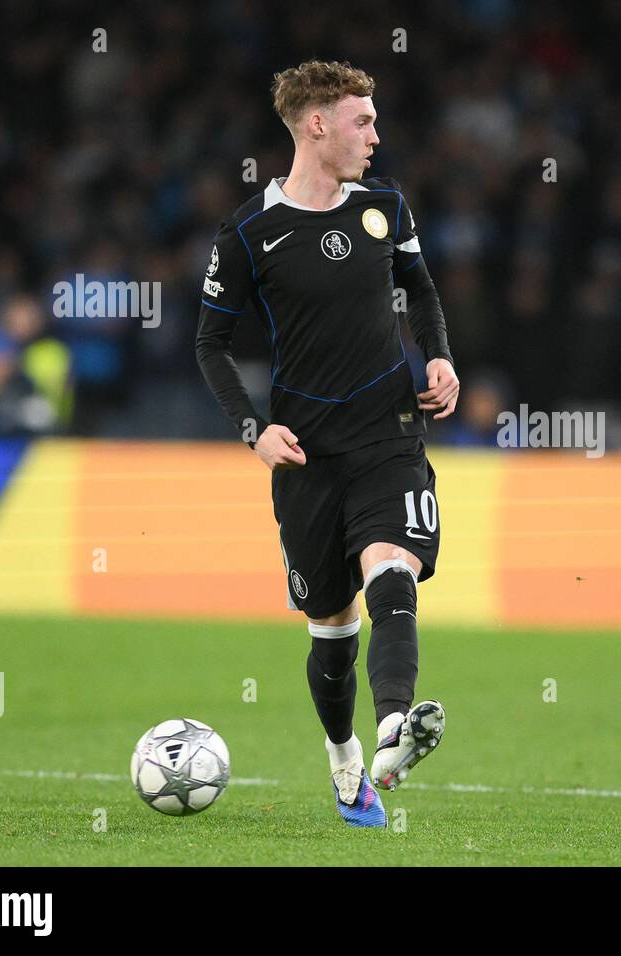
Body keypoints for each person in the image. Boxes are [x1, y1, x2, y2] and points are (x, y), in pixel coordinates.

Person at [195, 60, 459, 828]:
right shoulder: (250, 231)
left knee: (393, 567)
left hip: (390, 436)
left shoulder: (385, 206)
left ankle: (392, 731)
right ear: (318, 125)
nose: (376, 135)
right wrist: (254, 429)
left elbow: (422, 290)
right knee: (332, 632)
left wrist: (438, 356)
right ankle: (345, 756)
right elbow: (210, 344)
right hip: (307, 458)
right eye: (362, 121)